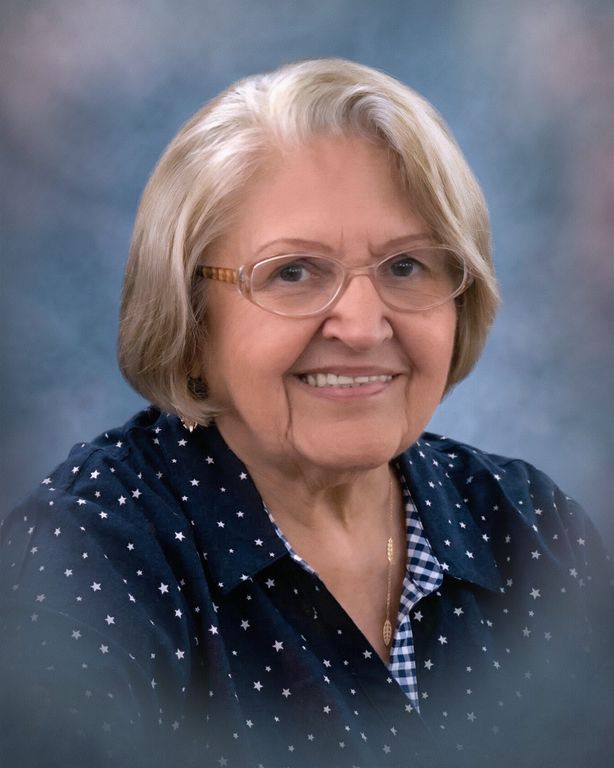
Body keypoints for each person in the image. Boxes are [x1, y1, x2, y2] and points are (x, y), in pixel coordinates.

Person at [1, 58, 611, 768]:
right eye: (292, 272)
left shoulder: (529, 526)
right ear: (190, 315)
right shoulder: (89, 554)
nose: (362, 327)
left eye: (407, 266)